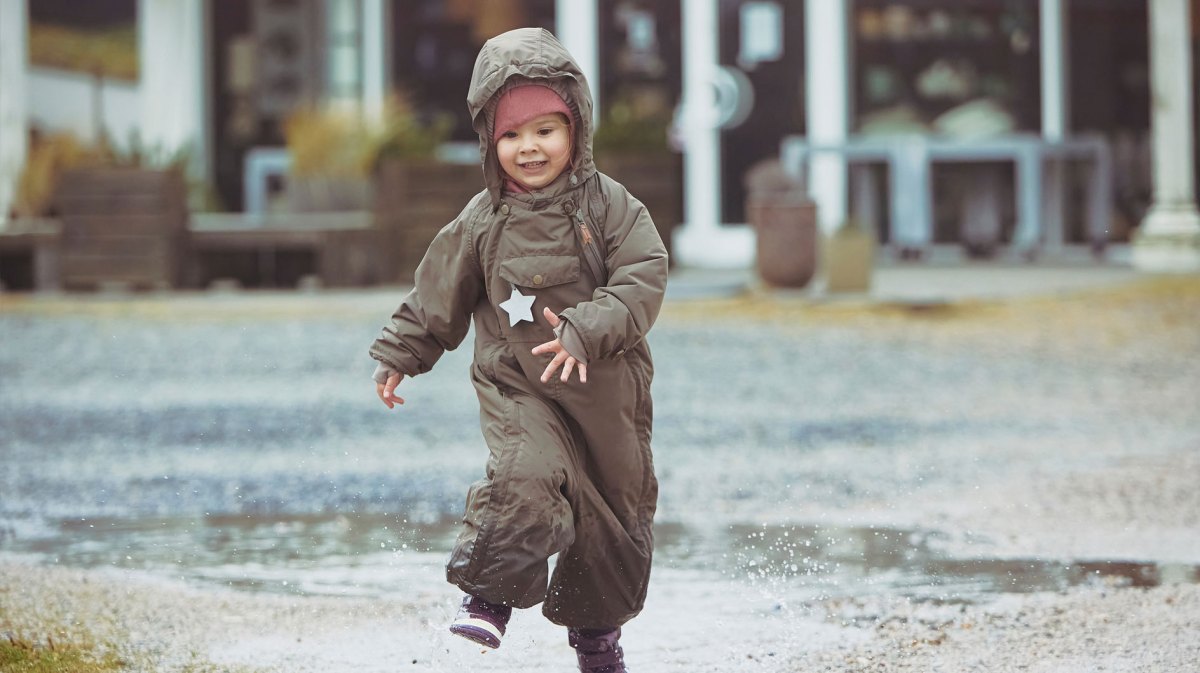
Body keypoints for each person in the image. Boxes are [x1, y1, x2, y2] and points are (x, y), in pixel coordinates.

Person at [368, 27, 667, 673]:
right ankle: (490, 596)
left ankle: (597, 640)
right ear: (488, 140)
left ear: (576, 126)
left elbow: (644, 276)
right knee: (524, 476)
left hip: (604, 394)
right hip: (521, 383)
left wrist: (589, 326)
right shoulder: (483, 219)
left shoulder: (610, 206)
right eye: (510, 135)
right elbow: (437, 290)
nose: (528, 148)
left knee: (610, 521)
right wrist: (403, 348)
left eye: (544, 130)